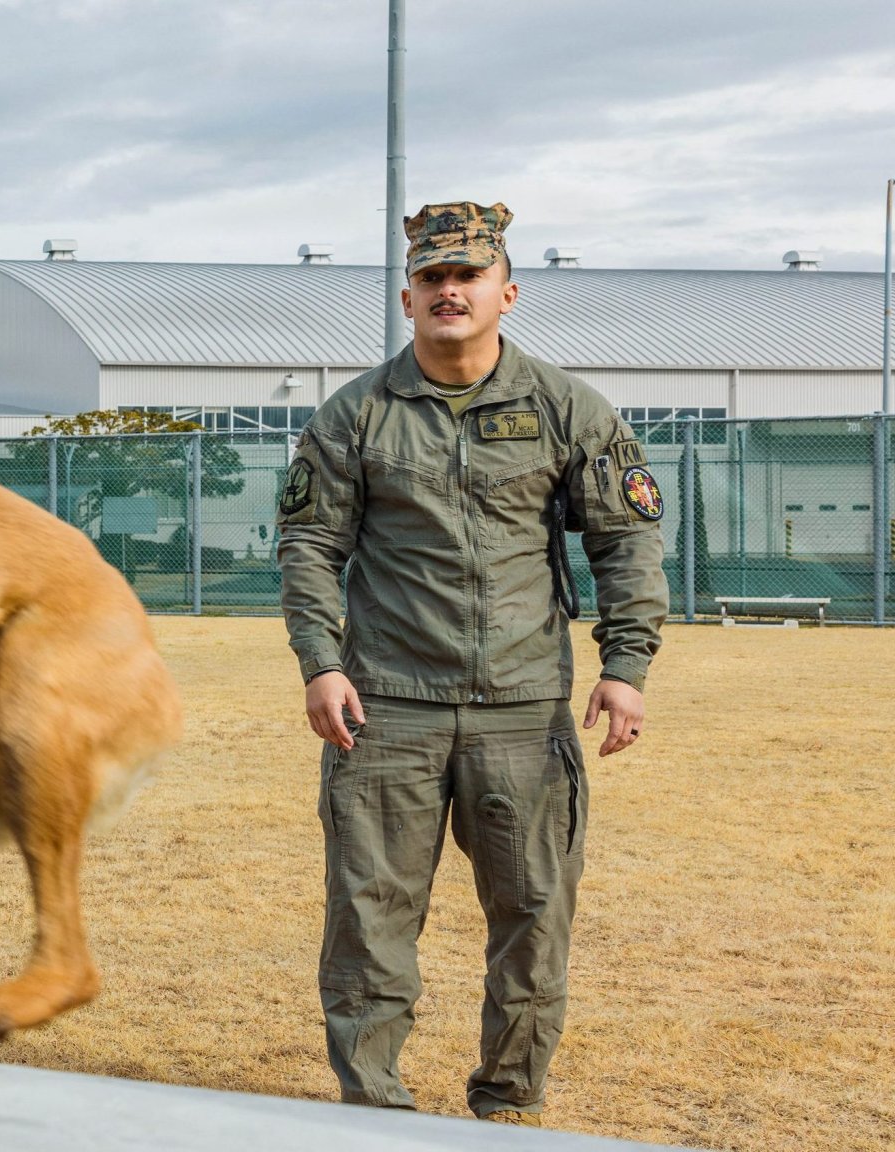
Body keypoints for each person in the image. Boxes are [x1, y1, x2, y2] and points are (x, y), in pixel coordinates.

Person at [275, 201, 668, 1124]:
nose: (450, 291)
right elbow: (308, 544)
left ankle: (507, 1104)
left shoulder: (568, 409)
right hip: (387, 709)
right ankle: (373, 1111)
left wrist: (627, 663)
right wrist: (319, 663)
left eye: (469, 276)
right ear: (407, 295)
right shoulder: (356, 415)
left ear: (507, 291)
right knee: (370, 921)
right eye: (432, 279)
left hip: (524, 713)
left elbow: (627, 540)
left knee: (534, 919)